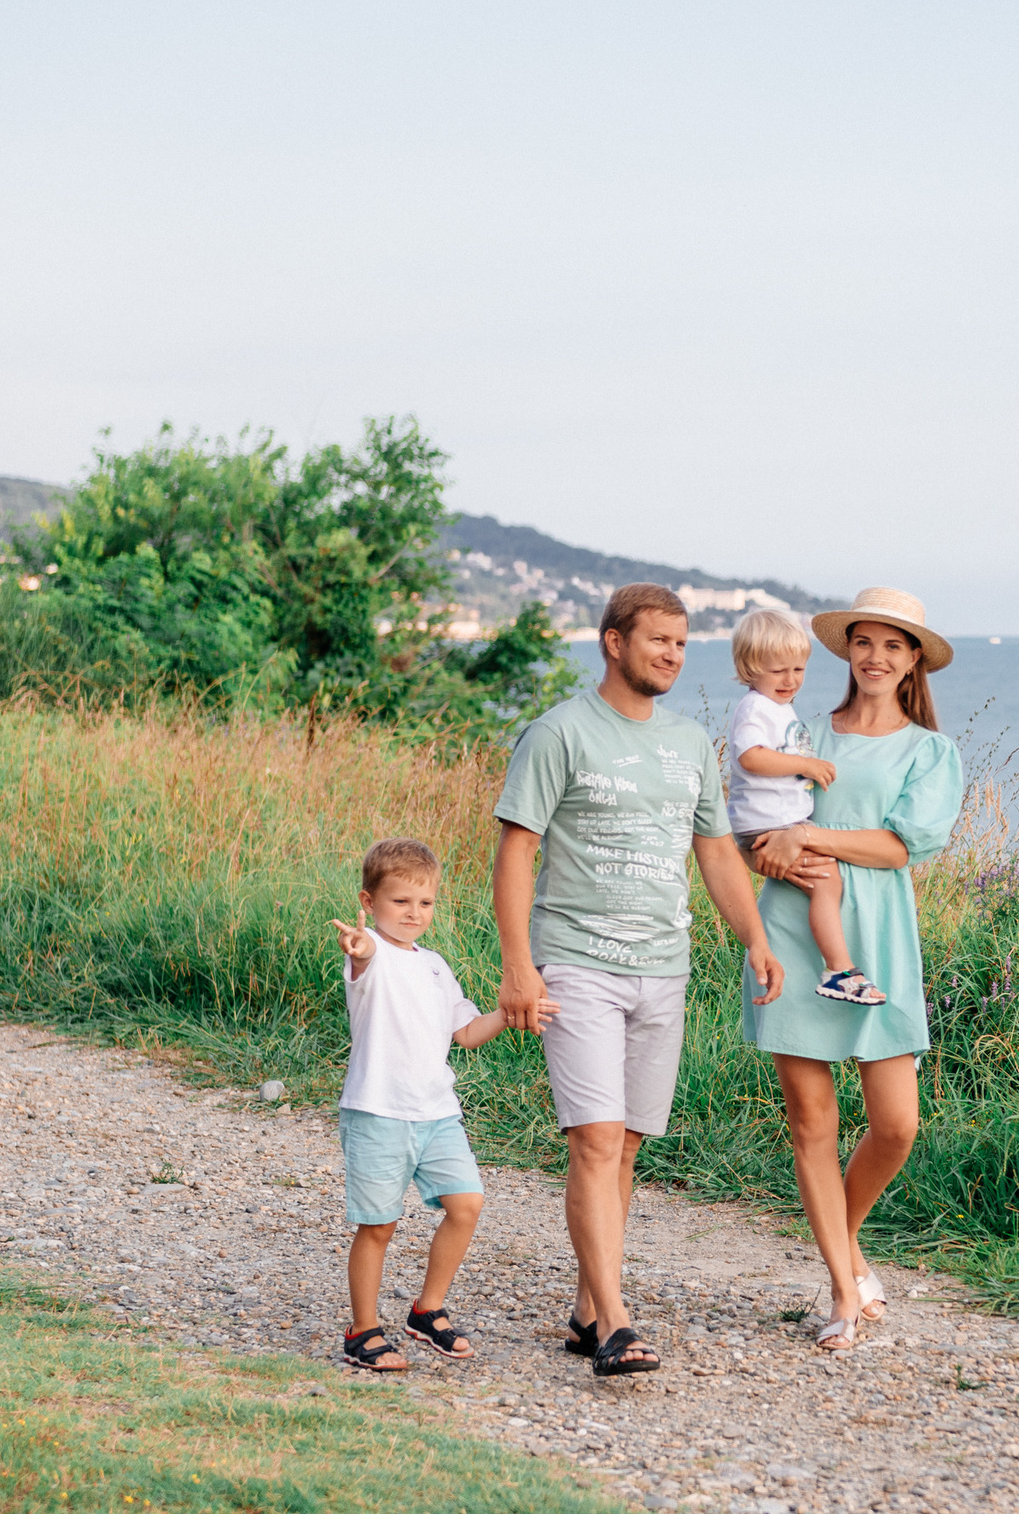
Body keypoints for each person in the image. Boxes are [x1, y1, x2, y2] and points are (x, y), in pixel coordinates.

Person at [492, 582, 786, 1377]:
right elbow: (516, 851)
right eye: (658, 640)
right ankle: (618, 1324)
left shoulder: (689, 743)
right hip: (577, 963)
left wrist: (754, 938)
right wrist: (519, 967)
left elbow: (715, 851)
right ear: (613, 643)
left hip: (664, 967)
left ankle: (589, 1312)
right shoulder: (558, 733)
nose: (672, 655)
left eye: (681, 644)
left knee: (623, 1145)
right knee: (593, 1139)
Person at [742, 586, 964, 1353]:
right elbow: (755, 825)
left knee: (896, 1126)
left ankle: (846, 1240)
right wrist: (770, 849)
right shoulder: (802, 733)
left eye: (892, 646)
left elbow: (902, 846)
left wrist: (809, 835)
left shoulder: (929, 751)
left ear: (912, 662)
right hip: (792, 923)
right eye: (864, 642)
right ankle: (842, 1287)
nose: (875, 656)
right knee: (813, 1123)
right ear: (848, 651)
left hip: (879, 938)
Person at [331, 836, 551, 1374]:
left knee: (467, 1204)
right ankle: (362, 1330)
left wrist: (512, 1012)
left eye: (425, 902)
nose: (414, 913)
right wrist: (358, 948)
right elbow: (363, 960)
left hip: (437, 1114)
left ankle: (427, 1309)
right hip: (378, 1112)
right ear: (369, 902)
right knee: (379, 1226)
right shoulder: (370, 952)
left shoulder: (435, 965)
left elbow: (466, 1032)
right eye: (400, 901)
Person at [723, 608, 881, 1006]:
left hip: (775, 821)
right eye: (778, 671)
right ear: (750, 668)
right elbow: (751, 757)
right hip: (766, 823)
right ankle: (838, 970)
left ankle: (837, 967)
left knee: (824, 881)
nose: (790, 680)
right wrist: (804, 765)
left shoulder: (778, 708)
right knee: (827, 880)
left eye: (798, 669)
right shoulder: (755, 708)